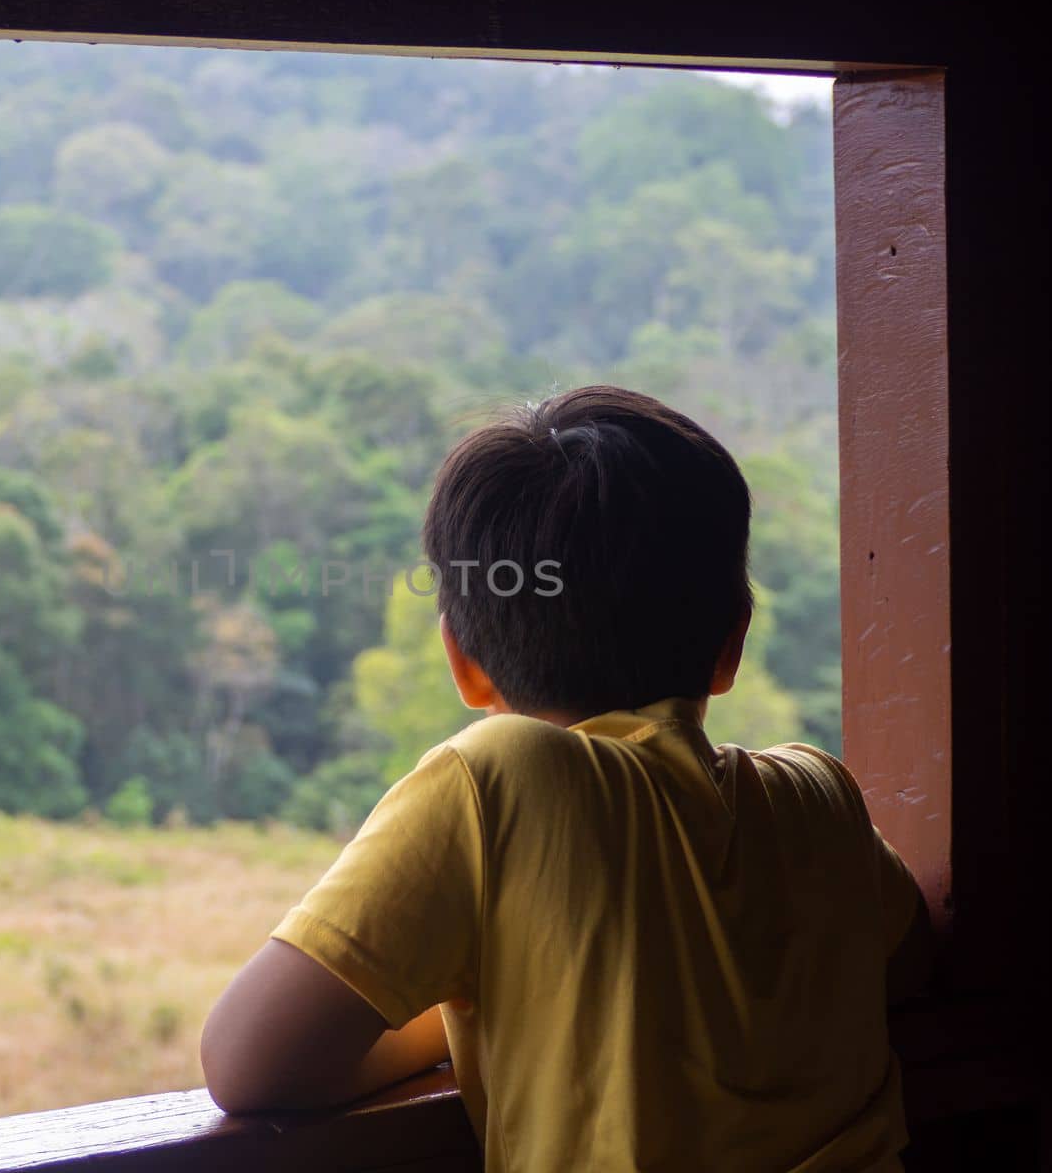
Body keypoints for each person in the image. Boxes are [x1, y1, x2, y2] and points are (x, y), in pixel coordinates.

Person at [200, 385, 935, 1172]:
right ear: (732, 645)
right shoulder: (817, 793)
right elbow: (910, 962)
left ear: (462, 663)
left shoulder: (497, 780)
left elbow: (246, 1061)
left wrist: (452, 1016)